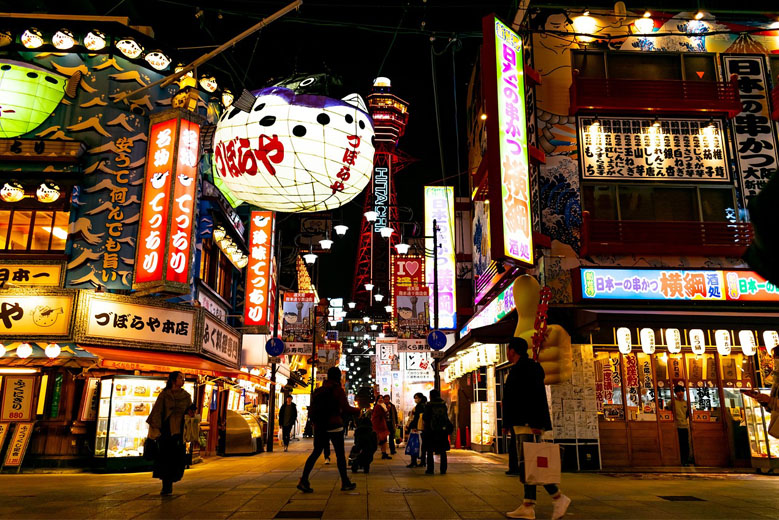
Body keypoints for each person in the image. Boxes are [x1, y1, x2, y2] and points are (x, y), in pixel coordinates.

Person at [503, 338, 570, 520]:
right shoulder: (521, 368)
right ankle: (528, 504)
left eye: (508, 349)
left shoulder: (528, 368)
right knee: (528, 465)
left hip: (527, 424)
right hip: (521, 422)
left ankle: (557, 497)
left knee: (531, 464)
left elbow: (534, 396)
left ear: (513, 350)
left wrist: (535, 423)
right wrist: (507, 423)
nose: (507, 352)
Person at [297, 367, 359, 493]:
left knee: (316, 452)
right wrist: (359, 410)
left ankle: (304, 480)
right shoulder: (337, 390)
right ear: (338, 377)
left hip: (320, 426)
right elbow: (346, 408)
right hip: (334, 425)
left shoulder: (318, 391)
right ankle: (345, 482)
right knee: (340, 455)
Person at [147, 371, 193, 496]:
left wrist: (191, 413)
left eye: (183, 378)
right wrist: (156, 429)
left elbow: (191, 411)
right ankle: (166, 485)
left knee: (178, 458)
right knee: (165, 459)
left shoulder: (186, 396)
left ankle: (173, 478)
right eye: (180, 378)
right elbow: (157, 412)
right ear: (173, 380)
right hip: (166, 431)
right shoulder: (164, 395)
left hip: (180, 432)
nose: (183, 380)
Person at [422, 389, 452, 475]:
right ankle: (443, 469)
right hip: (442, 431)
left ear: (431, 396)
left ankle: (430, 469)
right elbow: (446, 417)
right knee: (443, 451)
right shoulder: (443, 404)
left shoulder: (429, 405)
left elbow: (425, 417)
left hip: (431, 431)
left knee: (430, 450)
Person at [673, 385, 693, 466]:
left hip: (684, 426)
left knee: (685, 444)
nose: (680, 393)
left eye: (682, 391)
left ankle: (685, 460)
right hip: (675, 427)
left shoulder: (686, 403)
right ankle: (679, 460)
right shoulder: (672, 402)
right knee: (678, 444)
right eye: (678, 391)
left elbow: (688, 414)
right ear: (675, 393)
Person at [406, 392, 426, 468]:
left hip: (416, 429)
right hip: (423, 429)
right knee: (422, 446)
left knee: (414, 445)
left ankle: (414, 462)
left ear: (420, 398)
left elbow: (415, 418)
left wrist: (411, 426)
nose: (415, 399)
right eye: (415, 398)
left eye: (417, 397)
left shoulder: (419, 407)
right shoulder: (425, 406)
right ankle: (423, 461)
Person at [371, 395, 392, 459]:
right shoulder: (378, 406)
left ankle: (384, 453)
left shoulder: (382, 406)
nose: (381, 400)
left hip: (381, 425)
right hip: (378, 426)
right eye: (379, 399)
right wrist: (387, 409)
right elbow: (381, 414)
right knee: (378, 440)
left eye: (382, 398)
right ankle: (371, 453)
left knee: (383, 440)